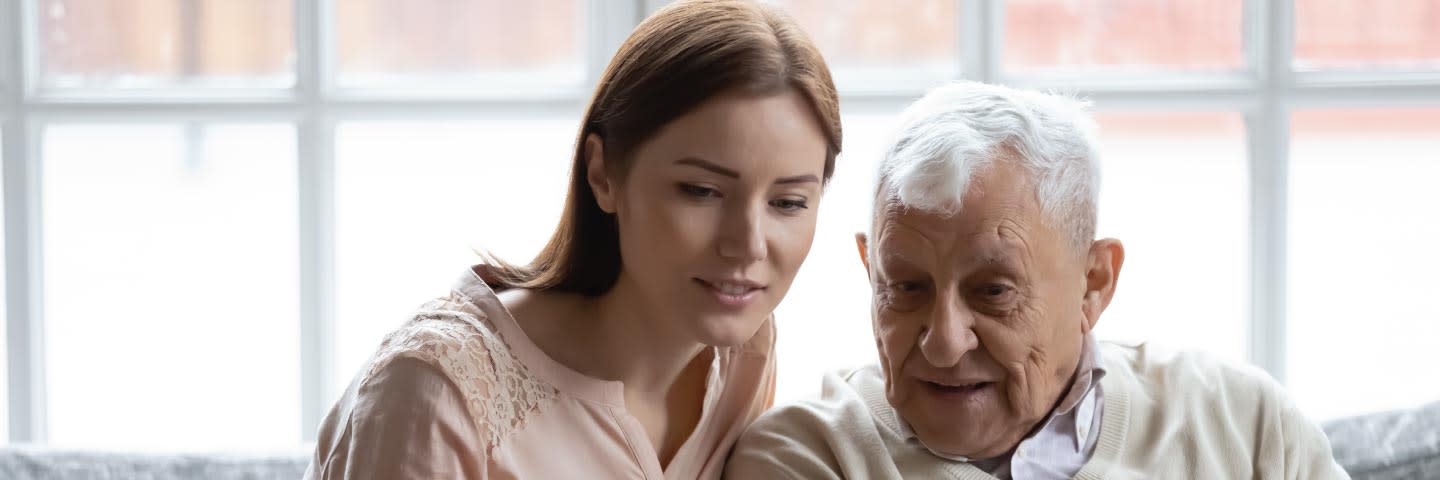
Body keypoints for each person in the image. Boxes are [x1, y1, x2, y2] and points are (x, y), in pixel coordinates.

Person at [305, 1, 841, 478]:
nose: (748, 245)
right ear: (603, 174)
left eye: (788, 203)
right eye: (700, 191)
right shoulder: (432, 395)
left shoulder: (744, 352)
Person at [724, 81, 1348, 479]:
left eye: (993, 291)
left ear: (1094, 283)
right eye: (905, 287)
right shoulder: (806, 459)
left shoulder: (1243, 423)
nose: (942, 343)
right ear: (870, 269)